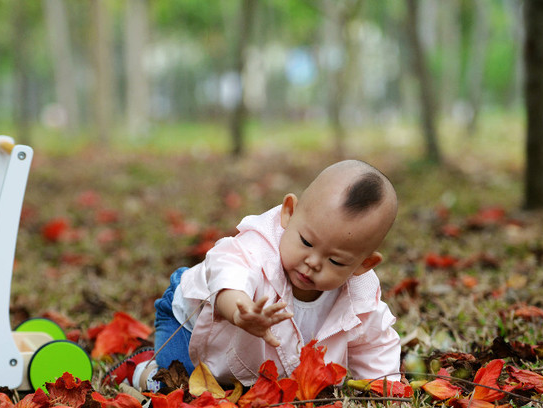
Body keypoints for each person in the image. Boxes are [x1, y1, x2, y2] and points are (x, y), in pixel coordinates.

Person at [106, 159, 401, 391]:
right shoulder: (256, 251)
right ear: (289, 213)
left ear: (363, 264)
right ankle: (141, 369)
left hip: (248, 357)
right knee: (175, 385)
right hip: (191, 321)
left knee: (228, 386)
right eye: (307, 243)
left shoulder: (358, 301)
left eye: (336, 260)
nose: (312, 262)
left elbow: (377, 343)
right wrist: (239, 310)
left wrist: (387, 388)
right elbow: (227, 270)